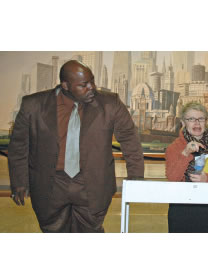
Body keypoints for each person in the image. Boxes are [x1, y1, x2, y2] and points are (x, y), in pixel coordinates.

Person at [8, 60, 144, 232]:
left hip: (92, 185)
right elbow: (19, 146)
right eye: (83, 85)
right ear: (65, 85)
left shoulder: (110, 103)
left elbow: (130, 139)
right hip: (50, 185)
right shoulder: (33, 105)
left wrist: (136, 176)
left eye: (92, 81)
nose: (92, 87)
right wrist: (19, 181)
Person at [165, 102, 208, 233]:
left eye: (201, 119)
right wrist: (185, 153)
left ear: (206, 121)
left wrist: (207, 179)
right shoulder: (174, 147)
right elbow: (172, 178)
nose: (196, 123)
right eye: (191, 119)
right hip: (180, 208)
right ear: (183, 122)